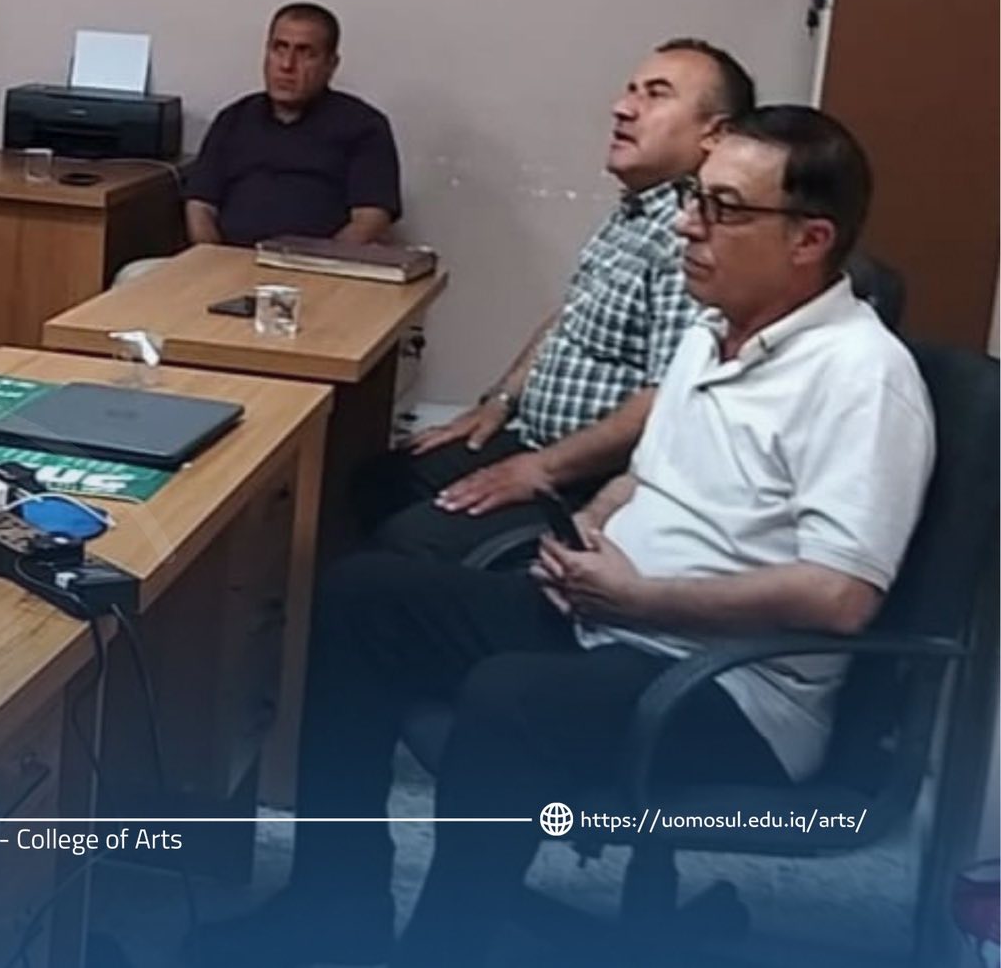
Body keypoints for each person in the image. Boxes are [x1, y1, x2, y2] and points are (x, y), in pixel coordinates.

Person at [189, 105, 934, 968]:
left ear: (810, 239)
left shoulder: (862, 378)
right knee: (363, 597)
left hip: (727, 689)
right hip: (611, 615)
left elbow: (841, 597)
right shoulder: (716, 331)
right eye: (694, 198)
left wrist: (643, 597)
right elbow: (651, 472)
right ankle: (336, 903)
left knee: (510, 698)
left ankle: (441, 950)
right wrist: (591, 523)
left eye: (724, 208)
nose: (689, 225)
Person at [361, 38, 757, 562]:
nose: (623, 107)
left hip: (588, 477)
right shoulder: (637, 212)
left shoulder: (692, 237)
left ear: (715, 134)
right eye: (630, 90)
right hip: (532, 436)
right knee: (377, 481)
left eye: (656, 95)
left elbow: (667, 398)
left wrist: (540, 469)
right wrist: (499, 402)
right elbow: (569, 319)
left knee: (403, 543)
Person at [182, 2, 402, 248]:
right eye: (279, 48)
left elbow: (371, 219)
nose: (287, 65)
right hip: (228, 259)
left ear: (331, 64)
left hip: (320, 262)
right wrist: (211, 256)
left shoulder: (364, 126)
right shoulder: (233, 119)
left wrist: (320, 260)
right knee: (147, 267)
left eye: (305, 53)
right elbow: (200, 205)